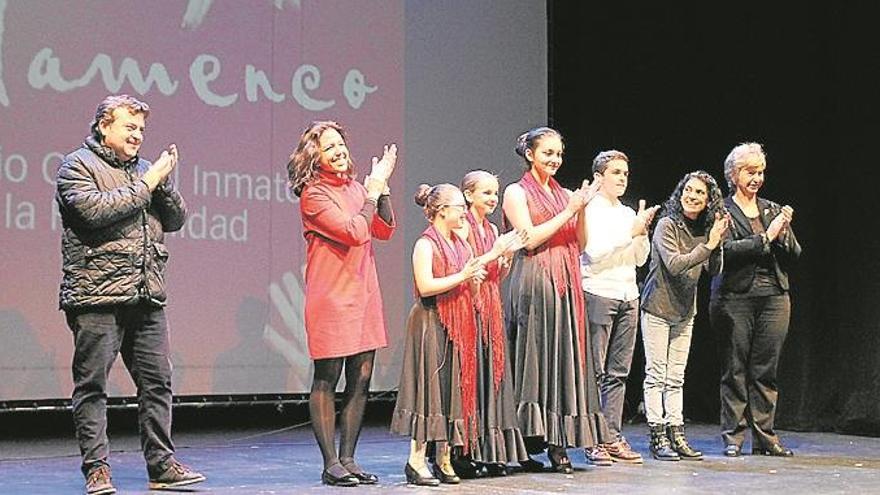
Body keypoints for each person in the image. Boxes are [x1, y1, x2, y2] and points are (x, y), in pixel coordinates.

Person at [56, 94, 204, 495]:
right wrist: (149, 182)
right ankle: (97, 469)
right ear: (105, 125)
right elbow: (94, 212)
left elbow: (174, 220)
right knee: (92, 386)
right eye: (129, 126)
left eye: (141, 129)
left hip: (145, 294)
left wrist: (164, 184)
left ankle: (161, 465)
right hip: (96, 297)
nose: (138, 135)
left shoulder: (144, 171)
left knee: (158, 383)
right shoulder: (76, 167)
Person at [287, 121, 397, 486]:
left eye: (340, 144)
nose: (338, 151)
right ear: (314, 156)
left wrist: (380, 190)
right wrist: (372, 192)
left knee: (361, 379)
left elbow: (382, 230)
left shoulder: (355, 188)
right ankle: (330, 462)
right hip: (332, 296)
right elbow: (353, 232)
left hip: (364, 294)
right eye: (329, 146)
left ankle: (349, 458)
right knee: (328, 377)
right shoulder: (314, 195)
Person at [391, 183, 519, 485]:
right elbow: (425, 285)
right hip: (430, 320)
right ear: (441, 210)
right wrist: (464, 274)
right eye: (459, 206)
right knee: (430, 391)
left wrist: (496, 260)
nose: (464, 212)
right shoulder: (426, 244)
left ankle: (444, 455)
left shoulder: (461, 244)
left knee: (453, 391)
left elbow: (472, 285)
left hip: (460, 322)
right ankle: (416, 460)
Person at [502, 127, 608, 474]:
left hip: (566, 280)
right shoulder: (516, 192)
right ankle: (522, 443)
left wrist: (580, 210)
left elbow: (581, 241)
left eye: (559, 154)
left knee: (562, 362)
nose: (555, 159)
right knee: (534, 360)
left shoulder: (564, 194)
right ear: (530, 154)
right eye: (547, 153)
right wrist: (569, 209)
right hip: (535, 279)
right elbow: (529, 239)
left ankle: (558, 442)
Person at [710, 143, 801, 457]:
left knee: (766, 370)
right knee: (734, 369)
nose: (757, 177)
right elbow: (725, 253)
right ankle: (733, 438)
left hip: (774, 297)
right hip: (734, 298)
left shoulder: (772, 209)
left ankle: (765, 437)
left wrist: (784, 233)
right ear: (735, 174)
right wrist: (766, 237)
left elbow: (794, 254)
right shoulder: (719, 210)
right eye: (751, 171)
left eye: (761, 172)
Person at [640, 171, 729, 461]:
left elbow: (714, 270)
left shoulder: (705, 231)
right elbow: (676, 265)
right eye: (688, 190)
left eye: (700, 193)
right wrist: (709, 245)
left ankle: (677, 434)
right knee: (656, 375)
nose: (692, 196)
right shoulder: (667, 225)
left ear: (708, 201)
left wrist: (717, 243)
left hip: (684, 310)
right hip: (657, 307)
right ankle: (658, 436)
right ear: (680, 193)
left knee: (675, 378)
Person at [580, 150, 658, 465]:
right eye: (615, 172)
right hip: (599, 292)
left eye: (625, 173)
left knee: (619, 372)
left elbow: (640, 258)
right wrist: (631, 232)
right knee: (596, 371)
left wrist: (642, 233)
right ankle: (591, 438)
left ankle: (611, 435)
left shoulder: (628, 213)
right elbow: (594, 252)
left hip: (628, 293)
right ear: (600, 177)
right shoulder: (589, 210)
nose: (622, 178)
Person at [456, 171, 529, 476]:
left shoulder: (490, 228)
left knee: (490, 380)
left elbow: (494, 276)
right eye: (486, 193)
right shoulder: (462, 226)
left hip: (491, 308)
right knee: (470, 383)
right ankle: (463, 453)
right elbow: (466, 268)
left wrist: (506, 258)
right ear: (468, 195)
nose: (492, 198)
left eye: (495, 193)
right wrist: (496, 253)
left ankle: (488, 451)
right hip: (469, 309)